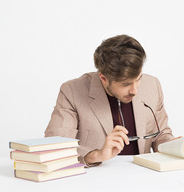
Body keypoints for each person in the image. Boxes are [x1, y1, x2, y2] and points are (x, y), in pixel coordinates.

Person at [45, 34, 174, 166]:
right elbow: (56, 147)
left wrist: (173, 146)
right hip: (92, 180)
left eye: (138, 79)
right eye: (125, 84)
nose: (134, 90)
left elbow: (160, 134)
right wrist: (96, 155)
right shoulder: (72, 91)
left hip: (142, 176)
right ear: (103, 78)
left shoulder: (152, 85)